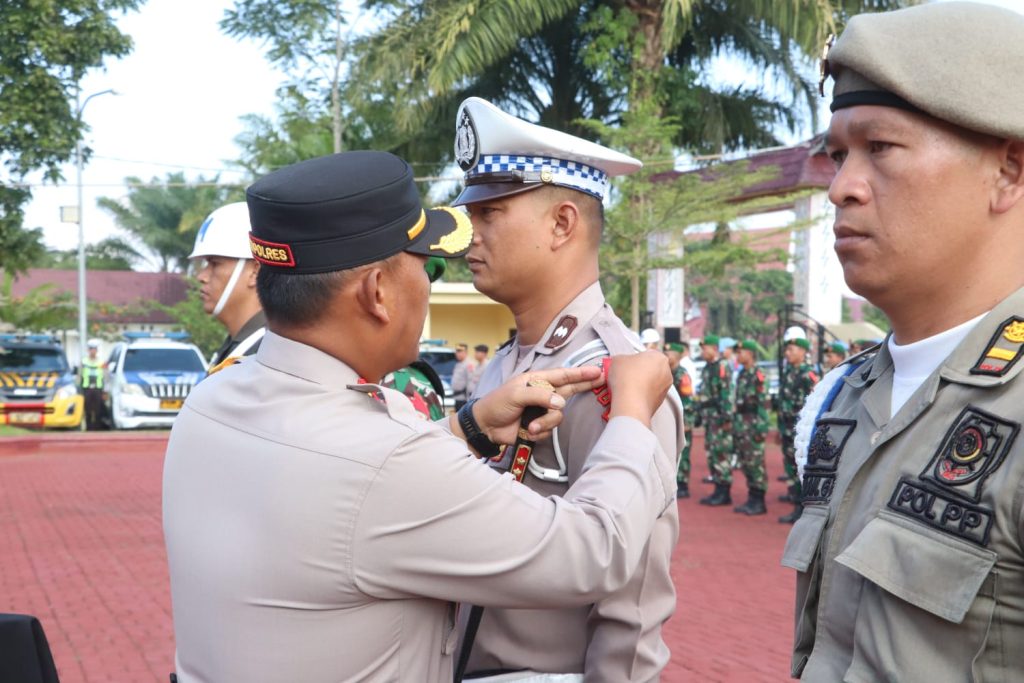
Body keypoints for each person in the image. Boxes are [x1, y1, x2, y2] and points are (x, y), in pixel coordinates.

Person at [163, 150, 677, 683]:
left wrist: (468, 429)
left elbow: (631, 622)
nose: (435, 279)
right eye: (424, 264)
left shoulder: (208, 402)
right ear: (379, 293)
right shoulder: (385, 456)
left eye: (490, 214)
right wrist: (634, 412)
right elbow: (593, 553)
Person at [783, 3, 1024, 680]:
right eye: (837, 156)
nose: (841, 188)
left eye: (879, 149)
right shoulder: (849, 394)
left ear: (1007, 170)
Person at [450, 96, 684, 681]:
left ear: (562, 224)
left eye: (490, 215)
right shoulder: (509, 361)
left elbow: (630, 609)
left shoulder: (615, 376)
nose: (467, 237)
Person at [188, 202, 267, 372]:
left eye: (214, 264)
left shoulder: (267, 356)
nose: (201, 277)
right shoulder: (239, 345)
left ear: (254, 272)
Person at [776, 337, 818, 523]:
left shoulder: (807, 374)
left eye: (791, 349)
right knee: (790, 466)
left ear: (803, 352)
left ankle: (802, 508)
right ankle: (795, 503)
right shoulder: (789, 372)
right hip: (787, 428)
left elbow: (814, 403)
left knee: (800, 466)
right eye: (787, 350)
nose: (787, 353)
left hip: (801, 429)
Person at [731, 339, 769, 515]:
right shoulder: (742, 374)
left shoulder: (758, 374)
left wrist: (761, 428)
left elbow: (764, 403)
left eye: (741, 352)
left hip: (753, 425)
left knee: (755, 463)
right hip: (742, 424)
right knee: (746, 462)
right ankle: (751, 497)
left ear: (750, 354)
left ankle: (759, 500)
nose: (738, 355)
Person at [698, 334, 734, 505]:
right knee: (712, 453)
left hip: (720, 418)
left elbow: (726, 392)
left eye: (705, 349)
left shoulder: (722, 366)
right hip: (710, 418)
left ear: (714, 349)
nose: (702, 352)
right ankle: (717, 488)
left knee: (721, 454)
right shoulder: (708, 367)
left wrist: (727, 417)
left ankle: (724, 491)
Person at [664, 342, 694, 498]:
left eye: (669, 354)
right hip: (671, 420)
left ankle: (683, 484)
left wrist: (687, 422)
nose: (666, 356)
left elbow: (688, 400)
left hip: (682, 421)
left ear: (677, 356)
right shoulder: (667, 373)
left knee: (684, 452)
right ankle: (676, 481)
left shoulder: (682, 375)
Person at [79, 338, 106, 430]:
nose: (93, 351)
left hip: (98, 388)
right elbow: (79, 375)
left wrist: (105, 390)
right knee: (88, 410)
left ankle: (97, 428)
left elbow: (105, 376)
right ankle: (88, 428)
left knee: (98, 409)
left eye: (94, 349)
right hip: (87, 388)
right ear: (88, 350)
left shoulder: (101, 362)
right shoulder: (83, 361)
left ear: (97, 351)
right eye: (91, 349)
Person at [450, 342, 471, 410]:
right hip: (457, 397)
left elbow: (470, 383)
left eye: (460, 351)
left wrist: (469, 400)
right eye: (456, 351)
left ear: (466, 352)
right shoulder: (458, 364)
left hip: (464, 399)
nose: (457, 354)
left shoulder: (469, 364)